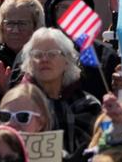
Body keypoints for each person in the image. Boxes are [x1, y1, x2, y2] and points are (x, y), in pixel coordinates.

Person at [18, 28, 100, 157]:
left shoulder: (87, 104)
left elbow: (88, 151)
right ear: (29, 63)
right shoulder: (18, 103)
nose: (44, 59)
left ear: (67, 61)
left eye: (52, 54)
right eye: (37, 54)